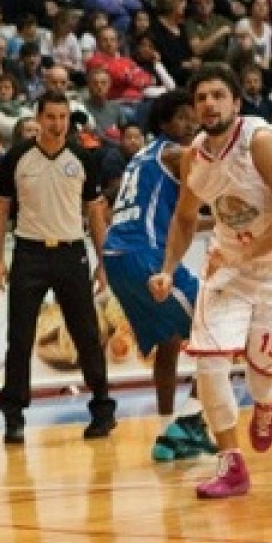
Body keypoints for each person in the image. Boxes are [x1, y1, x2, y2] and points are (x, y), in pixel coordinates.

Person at [151, 62, 272, 500]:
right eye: (201, 97)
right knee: (208, 359)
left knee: (263, 375)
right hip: (228, 269)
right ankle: (231, 463)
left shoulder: (260, 143)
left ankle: (266, 402)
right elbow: (185, 218)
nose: (209, 103)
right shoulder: (194, 157)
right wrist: (168, 269)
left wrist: (246, 251)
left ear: (237, 104)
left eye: (218, 95)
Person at [0, 88, 116, 446]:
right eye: (51, 117)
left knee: (88, 335)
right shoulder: (18, 157)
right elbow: (0, 209)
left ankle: (102, 408)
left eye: (63, 118)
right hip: (29, 253)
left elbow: (95, 213)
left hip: (71, 252)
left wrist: (102, 262)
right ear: (38, 118)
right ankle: (14, 417)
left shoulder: (83, 158)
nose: (58, 124)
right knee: (19, 339)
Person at [101, 91, 216, 462]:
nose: (191, 124)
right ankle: (189, 421)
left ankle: (168, 430)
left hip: (120, 257)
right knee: (216, 327)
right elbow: (212, 161)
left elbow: (180, 220)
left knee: (170, 341)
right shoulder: (173, 153)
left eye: (191, 117)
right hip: (145, 255)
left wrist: (222, 221)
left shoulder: (143, 157)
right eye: (183, 117)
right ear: (164, 123)